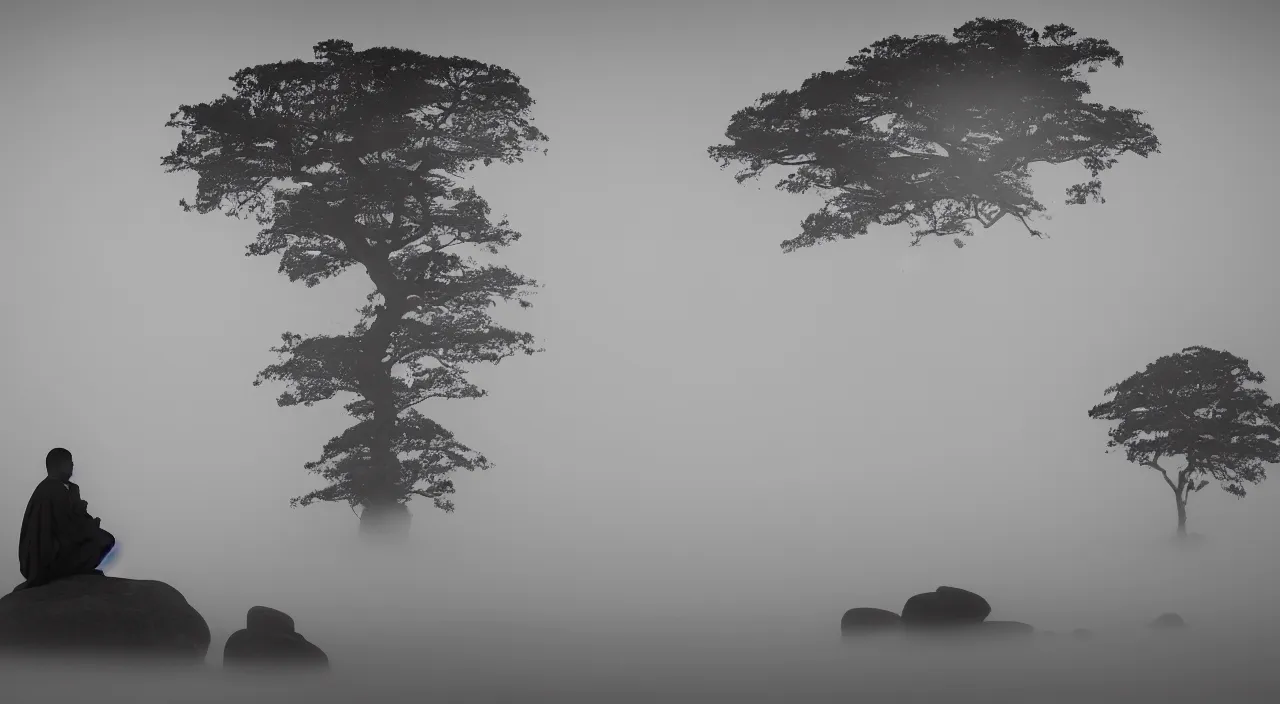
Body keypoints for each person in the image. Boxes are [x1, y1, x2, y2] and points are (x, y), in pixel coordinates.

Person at [16, 448, 117, 590]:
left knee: (103, 539)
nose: (72, 465)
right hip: (48, 557)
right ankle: (69, 572)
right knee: (104, 540)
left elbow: (73, 519)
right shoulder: (51, 489)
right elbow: (66, 529)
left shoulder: (69, 489)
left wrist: (83, 514)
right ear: (56, 465)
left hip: (61, 546)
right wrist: (90, 525)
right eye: (68, 462)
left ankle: (76, 570)